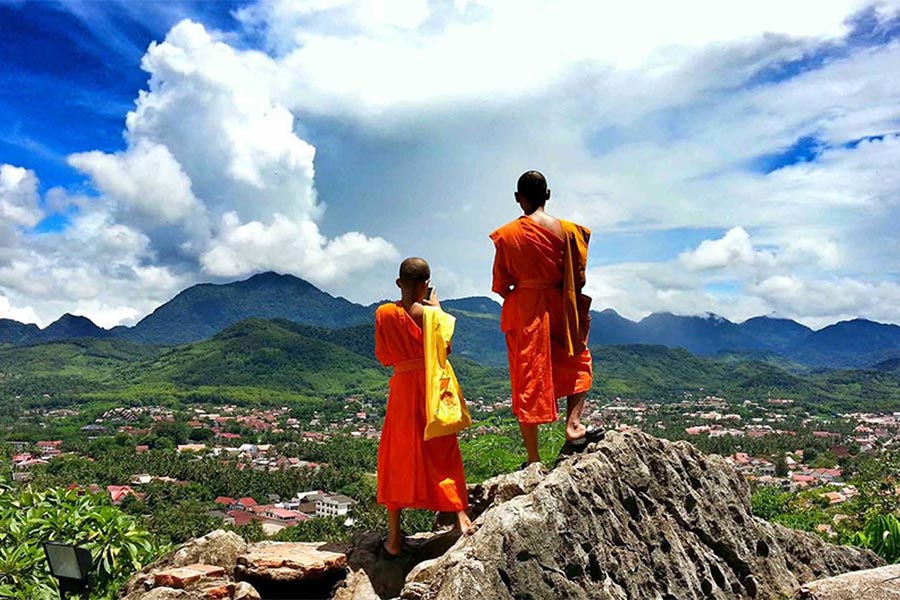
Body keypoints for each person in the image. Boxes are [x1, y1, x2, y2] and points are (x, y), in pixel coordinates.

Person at [489, 171, 595, 465]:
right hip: (563, 307)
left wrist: (526, 288)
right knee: (577, 361)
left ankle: (534, 458)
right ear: (548, 194)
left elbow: (500, 284)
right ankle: (573, 426)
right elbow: (579, 278)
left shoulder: (507, 236)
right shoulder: (571, 232)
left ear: (517, 198)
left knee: (527, 379)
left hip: (525, 311)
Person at [374, 257, 472, 557]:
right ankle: (461, 519)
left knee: (397, 455)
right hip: (432, 387)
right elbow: (446, 349)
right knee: (442, 450)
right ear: (427, 284)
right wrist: (437, 309)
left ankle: (393, 539)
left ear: (398, 282)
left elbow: (383, 354)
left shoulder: (384, 313)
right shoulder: (432, 316)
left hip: (403, 389)